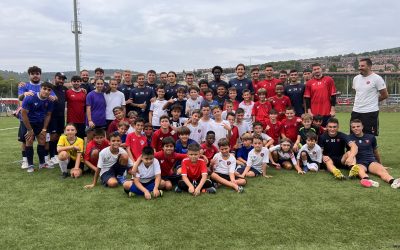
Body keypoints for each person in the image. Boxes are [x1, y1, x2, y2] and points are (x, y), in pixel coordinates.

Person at [349, 119, 400, 189]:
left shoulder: (371, 137)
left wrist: (380, 164)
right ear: (351, 128)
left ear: (362, 127)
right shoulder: (348, 138)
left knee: (382, 172)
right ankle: (367, 180)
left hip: (371, 161)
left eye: (358, 126)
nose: (356, 128)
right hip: (359, 162)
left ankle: (393, 181)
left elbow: (375, 151)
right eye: (353, 127)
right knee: (359, 170)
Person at [20, 82, 54, 172]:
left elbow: (48, 115)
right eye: (44, 89)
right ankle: (30, 165)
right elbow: (23, 114)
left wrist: (44, 128)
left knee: (42, 140)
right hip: (28, 122)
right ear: (40, 88)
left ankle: (42, 163)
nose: (46, 91)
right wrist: (29, 130)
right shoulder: (30, 97)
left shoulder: (50, 100)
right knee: (29, 140)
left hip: (40, 123)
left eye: (49, 90)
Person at [351, 58, 388, 136]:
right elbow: (358, 93)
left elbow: (385, 95)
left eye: (362, 66)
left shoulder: (377, 78)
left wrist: (373, 101)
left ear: (370, 66)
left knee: (369, 137)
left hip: (370, 112)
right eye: (359, 66)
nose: (360, 67)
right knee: (353, 136)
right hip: (356, 111)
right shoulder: (356, 78)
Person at [48, 72, 68, 167]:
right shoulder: (50, 88)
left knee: (59, 135)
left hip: (61, 116)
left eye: (63, 79)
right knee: (53, 135)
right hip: (52, 116)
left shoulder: (64, 89)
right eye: (59, 78)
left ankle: (56, 154)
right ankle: (51, 156)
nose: (61, 81)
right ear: (55, 78)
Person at [66, 75, 86, 139]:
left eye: (78, 81)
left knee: (80, 139)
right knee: (70, 139)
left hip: (82, 120)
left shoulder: (84, 92)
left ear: (80, 82)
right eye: (74, 81)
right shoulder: (68, 92)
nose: (76, 83)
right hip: (71, 120)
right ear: (71, 82)